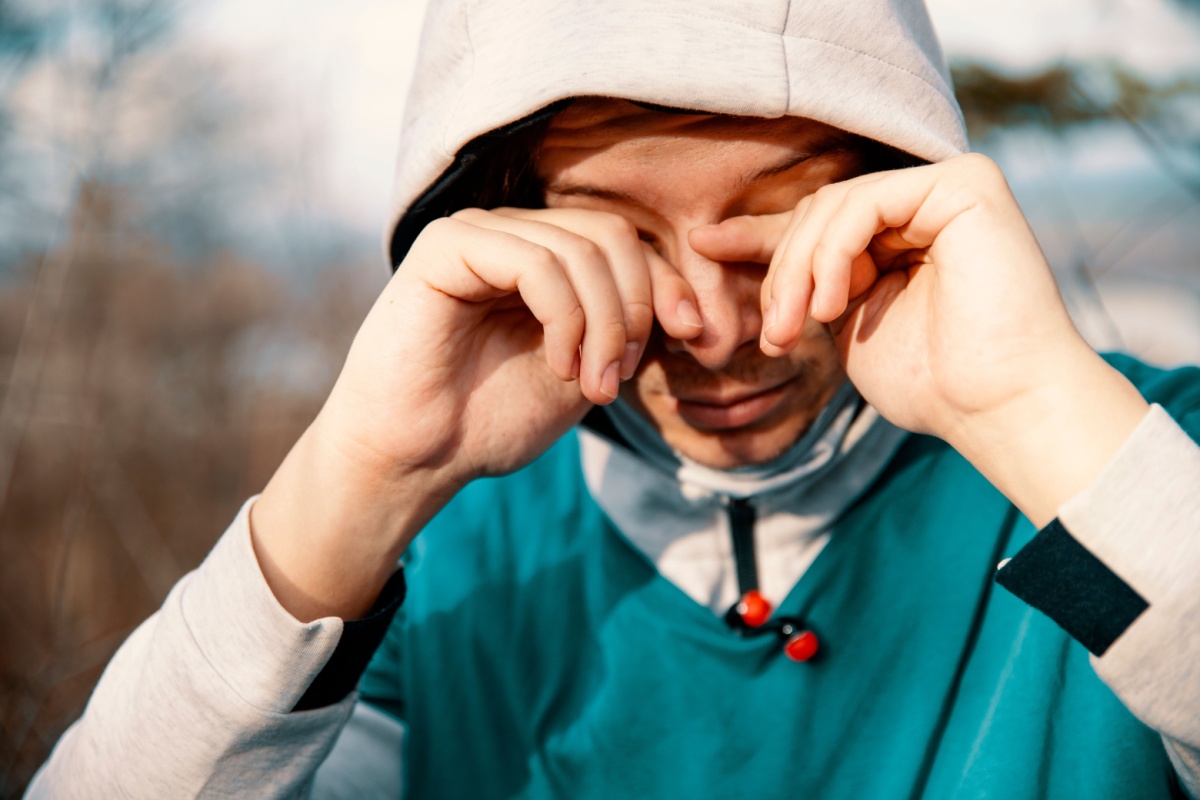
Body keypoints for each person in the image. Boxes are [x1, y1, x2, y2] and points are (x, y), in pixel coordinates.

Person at [28, 0, 1200, 797]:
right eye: (618, 237)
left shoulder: (1143, 462)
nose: (716, 326)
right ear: (499, 226)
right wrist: (359, 480)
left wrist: (1034, 418)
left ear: (897, 188)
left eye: (776, 219)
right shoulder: (436, 582)